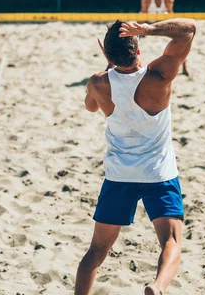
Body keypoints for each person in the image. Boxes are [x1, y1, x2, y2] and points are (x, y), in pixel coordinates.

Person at [75, 18, 196, 295]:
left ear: (106, 53)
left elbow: (90, 108)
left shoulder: (97, 83)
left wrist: (108, 66)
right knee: (171, 240)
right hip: (158, 172)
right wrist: (148, 29)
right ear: (138, 50)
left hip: (120, 175)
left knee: (96, 250)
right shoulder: (159, 75)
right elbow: (188, 29)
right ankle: (157, 286)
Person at [141, 0, 192, 78]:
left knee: (181, 41)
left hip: (163, 23)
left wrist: (174, 29)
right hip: (149, 23)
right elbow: (142, 17)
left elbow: (171, 16)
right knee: (135, 41)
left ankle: (185, 68)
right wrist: (140, 32)